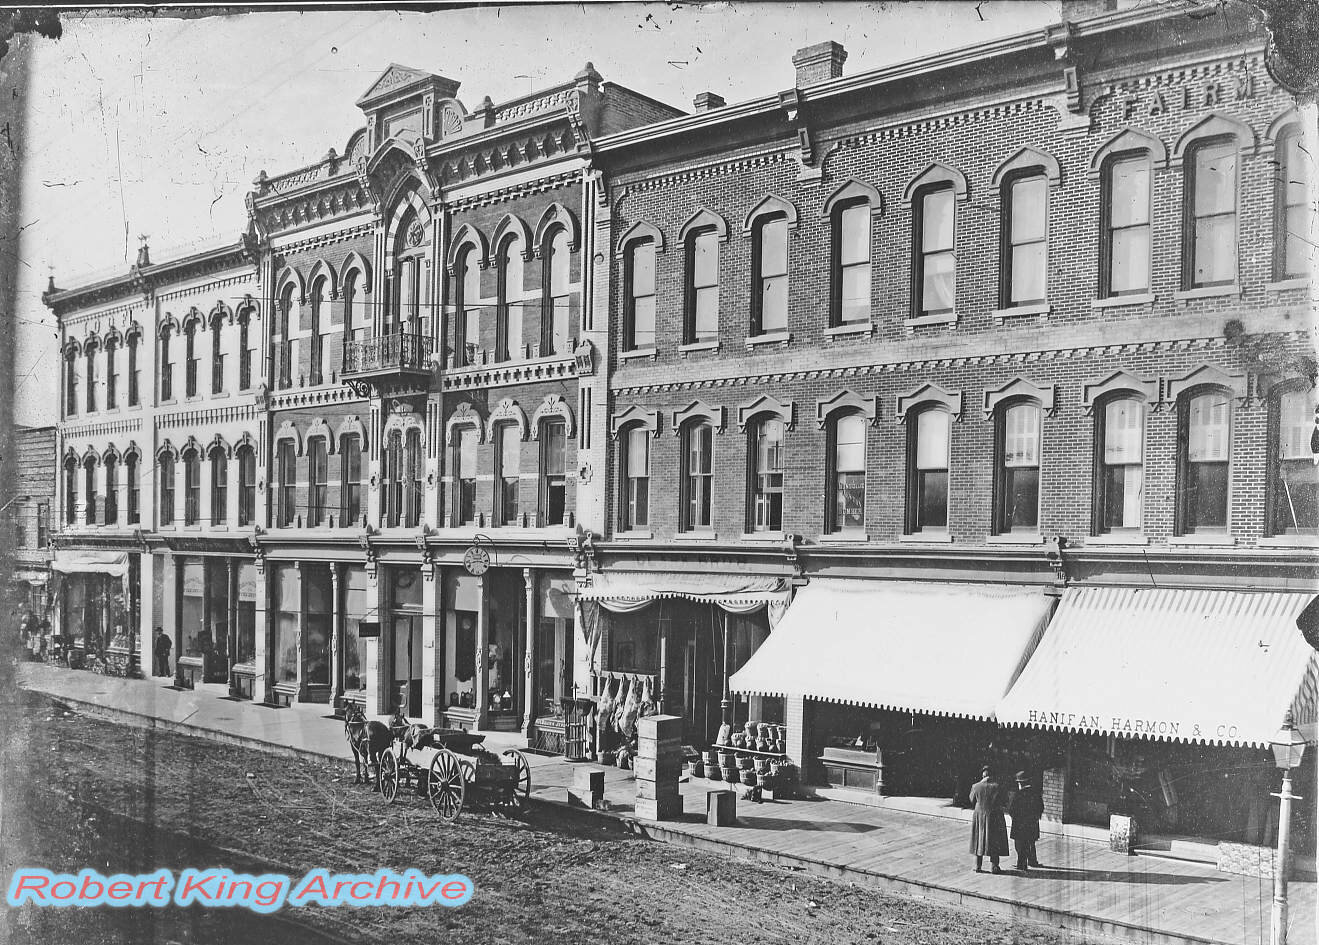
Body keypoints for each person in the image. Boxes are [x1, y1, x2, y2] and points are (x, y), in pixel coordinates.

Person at [969, 765, 1009, 873]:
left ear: (982, 775)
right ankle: (994, 866)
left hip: (979, 816)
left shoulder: (975, 786)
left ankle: (978, 865)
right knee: (994, 840)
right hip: (995, 816)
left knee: (979, 839)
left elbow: (971, 800)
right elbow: (1005, 801)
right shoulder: (998, 787)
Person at [1008, 770, 1044, 871]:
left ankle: (1021, 864)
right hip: (1032, 823)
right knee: (1031, 842)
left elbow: (1011, 810)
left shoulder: (1018, 795)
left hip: (1019, 824)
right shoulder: (1035, 793)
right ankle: (1033, 861)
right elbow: (1041, 807)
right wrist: (1036, 818)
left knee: (1020, 844)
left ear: (1020, 783)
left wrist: (1015, 818)